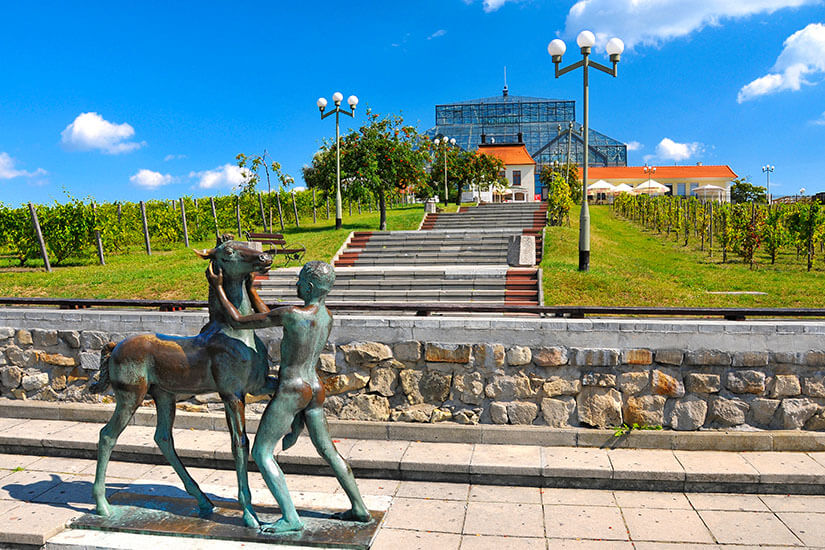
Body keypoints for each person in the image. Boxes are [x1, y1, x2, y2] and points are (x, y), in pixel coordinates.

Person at [207, 260, 370, 533]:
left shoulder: (293, 314)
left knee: (261, 452)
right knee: (328, 450)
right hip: (315, 387)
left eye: (298, 281)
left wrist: (218, 288)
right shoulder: (325, 315)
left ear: (307, 286)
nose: (295, 285)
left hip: (292, 389)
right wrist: (252, 290)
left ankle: (290, 518)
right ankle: (359, 508)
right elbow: (273, 316)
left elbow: (239, 320)